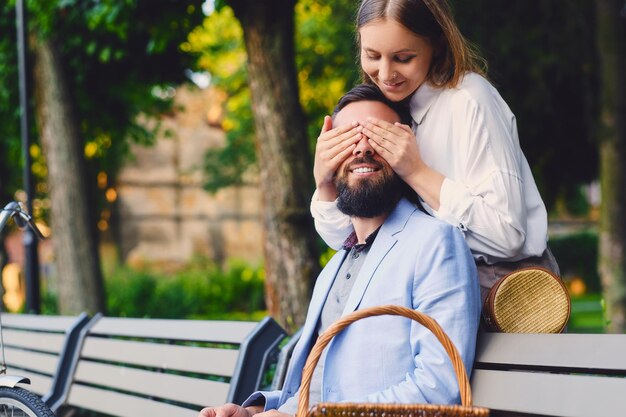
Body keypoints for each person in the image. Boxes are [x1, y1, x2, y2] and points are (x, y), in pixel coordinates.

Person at [198, 84, 480, 417]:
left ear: (405, 149)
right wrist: (259, 411)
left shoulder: (435, 243)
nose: (362, 148)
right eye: (347, 137)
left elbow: (438, 389)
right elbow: (318, 388)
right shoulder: (335, 265)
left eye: (378, 135)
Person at [311, 0, 560, 302]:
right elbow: (350, 240)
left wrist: (417, 173)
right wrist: (325, 184)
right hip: (423, 288)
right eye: (372, 56)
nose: (386, 73)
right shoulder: (389, 109)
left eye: (403, 58)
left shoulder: (469, 100)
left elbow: (508, 236)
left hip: (502, 295)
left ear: (438, 46)